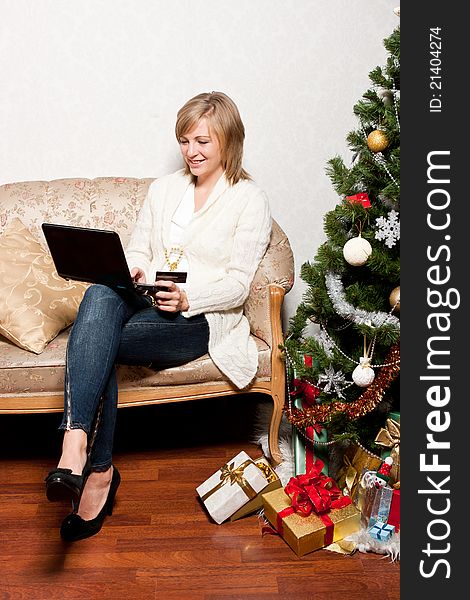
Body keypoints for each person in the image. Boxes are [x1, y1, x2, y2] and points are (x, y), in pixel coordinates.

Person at [44, 91, 272, 541]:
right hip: (147, 300)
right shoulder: (164, 188)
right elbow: (142, 248)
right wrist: (135, 270)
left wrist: (189, 298)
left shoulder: (249, 199)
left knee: (96, 340)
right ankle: (79, 450)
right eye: (185, 141)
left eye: (203, 141)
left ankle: (94, 469)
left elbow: (239, 283)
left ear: (229, 140)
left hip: (202, 319)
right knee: (100, 294)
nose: (192, 152)